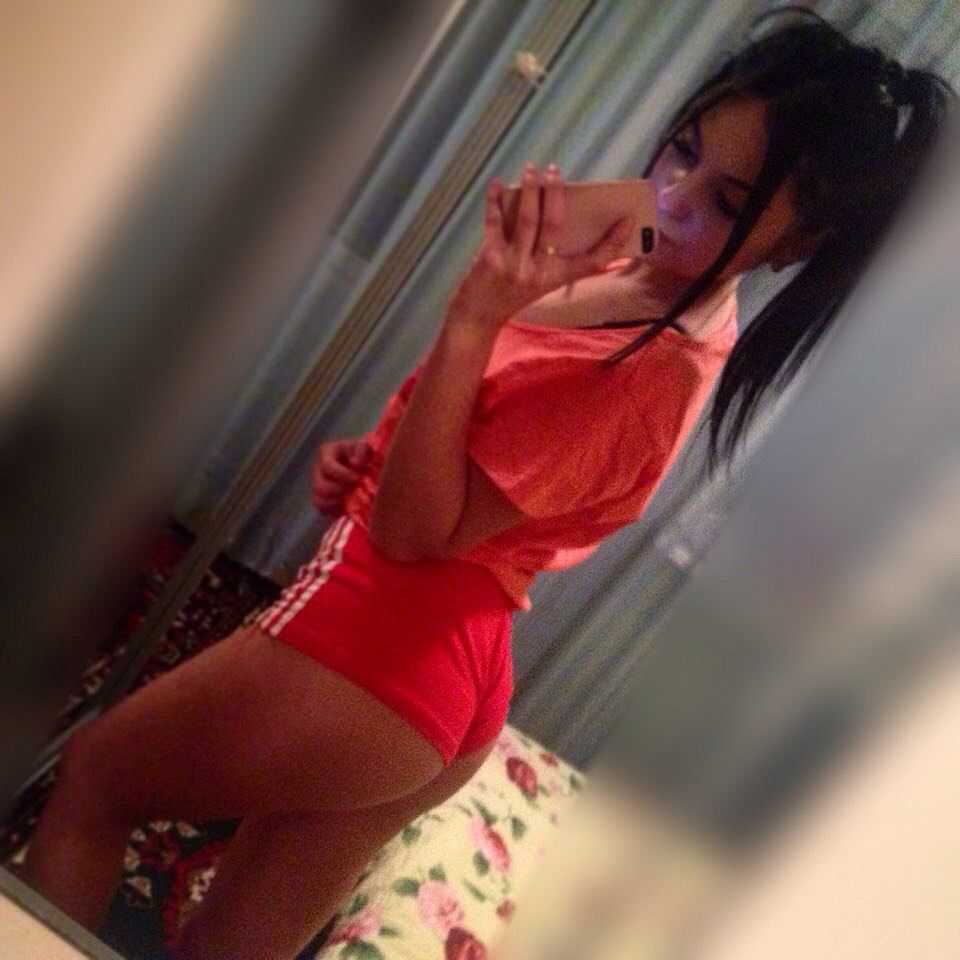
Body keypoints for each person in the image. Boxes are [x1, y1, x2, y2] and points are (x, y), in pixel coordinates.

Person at [19, 8, 954, 959]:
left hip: (385, 639)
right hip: (442, 665)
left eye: (727, 202)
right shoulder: (648, 270)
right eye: (682, 149)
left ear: (796, 245)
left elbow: (417, 534)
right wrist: (380, 456)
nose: (673, 198)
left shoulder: (653, 371)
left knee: (96, 782)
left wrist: (472, 318)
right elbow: (481, 445)